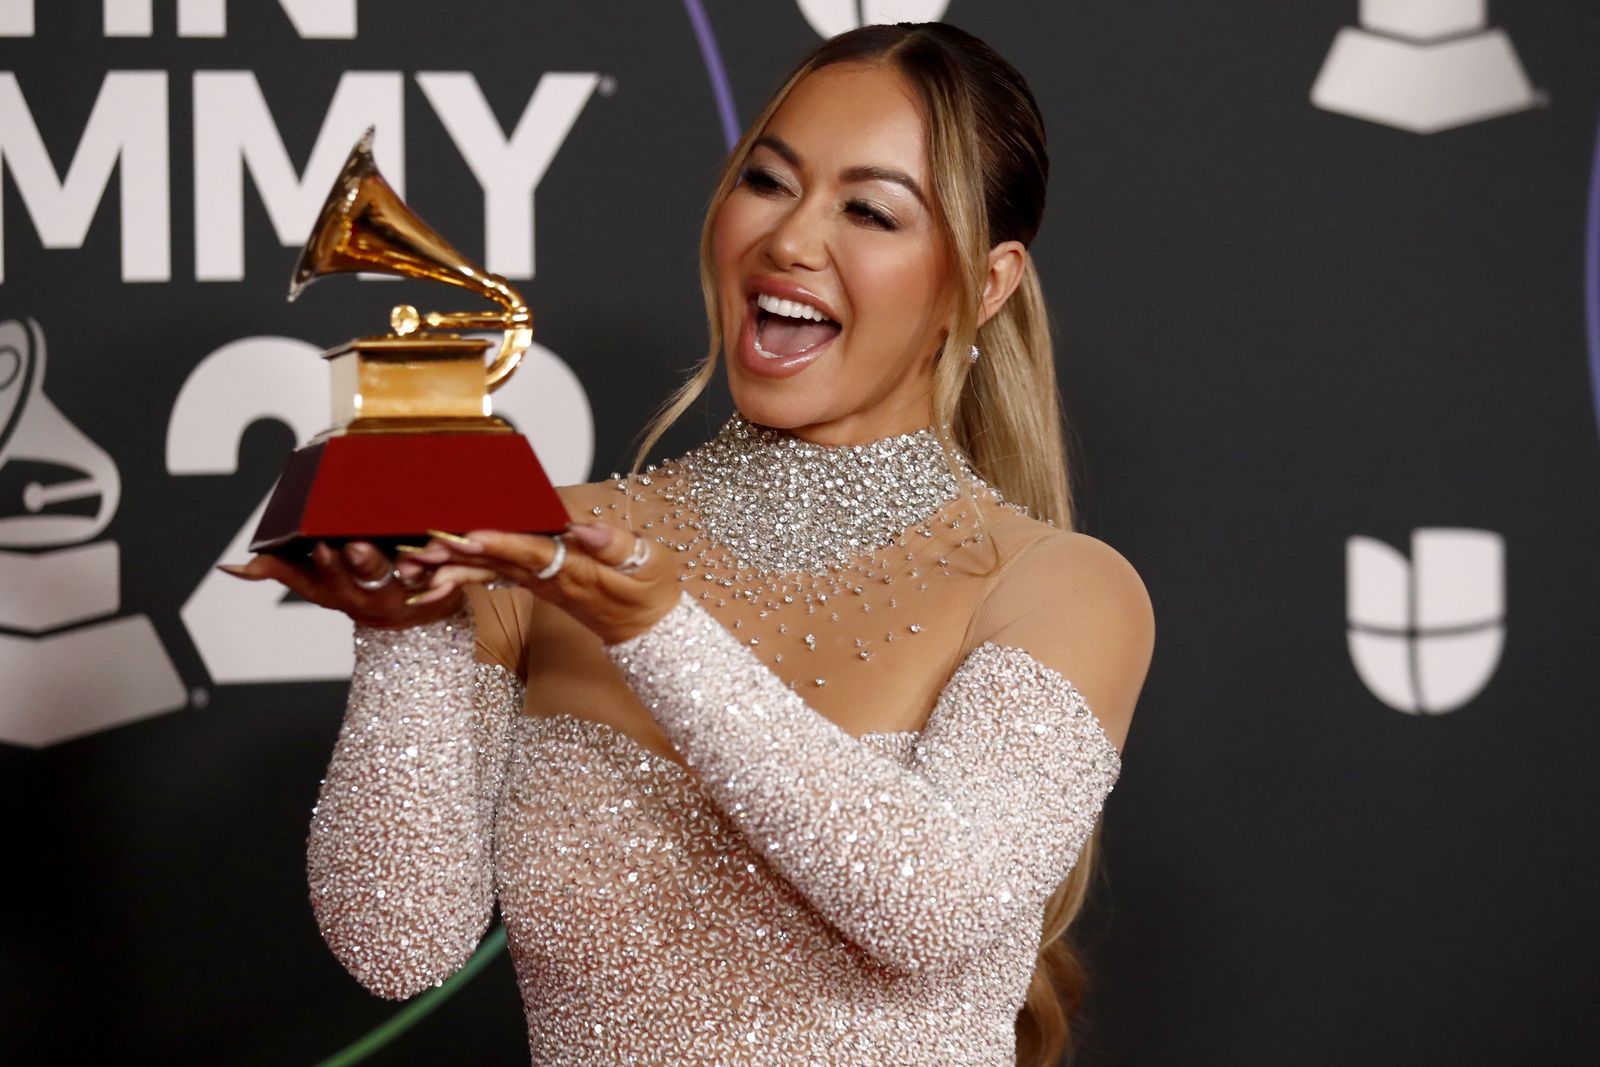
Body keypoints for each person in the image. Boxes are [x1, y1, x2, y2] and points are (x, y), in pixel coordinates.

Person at [227, 21, 1154, 1066]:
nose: (791, 241)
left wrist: (656, 630)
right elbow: (398, 941)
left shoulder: (1058, 586)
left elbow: (931, 909)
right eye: (769, 181)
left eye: (868, 209)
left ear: (983, 284)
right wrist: (409, 636)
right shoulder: (535, 543)